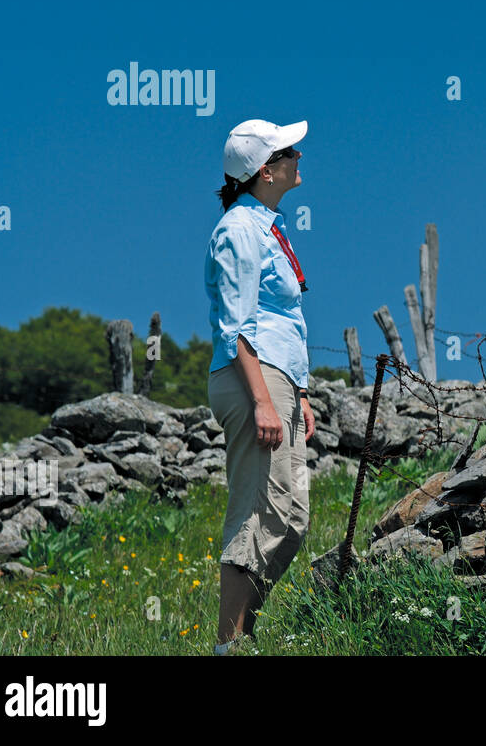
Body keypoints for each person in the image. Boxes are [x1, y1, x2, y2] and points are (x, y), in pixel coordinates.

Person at [204, 118, 315, 655]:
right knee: (257, 509)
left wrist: (301, 390)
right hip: (253, 377)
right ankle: (229, 645)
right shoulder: (240, 230)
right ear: (266, 170)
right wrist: (265, 399)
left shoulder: (268, 225)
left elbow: (283, 317)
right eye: (289, 151)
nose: (300, 156)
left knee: (291, 516)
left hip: (278, 378)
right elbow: (238, 326)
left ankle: (243, 633)